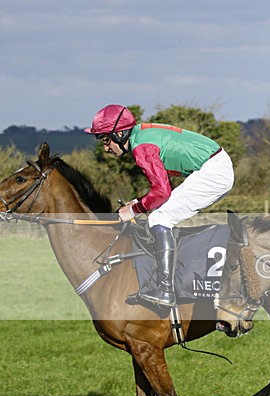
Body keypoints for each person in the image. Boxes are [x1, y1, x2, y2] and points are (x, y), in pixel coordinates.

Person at [85, 104, 234, 306]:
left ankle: (165, 289)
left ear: (119, 133)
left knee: (159, 218)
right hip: (215, 166)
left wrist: (133, 210)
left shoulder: (141, 148)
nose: (105, 147)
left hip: (214, 172)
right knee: (158, 214)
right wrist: (139, 202)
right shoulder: (141, 136)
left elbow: (162, 192)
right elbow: (163, 189)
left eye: (105, 139)